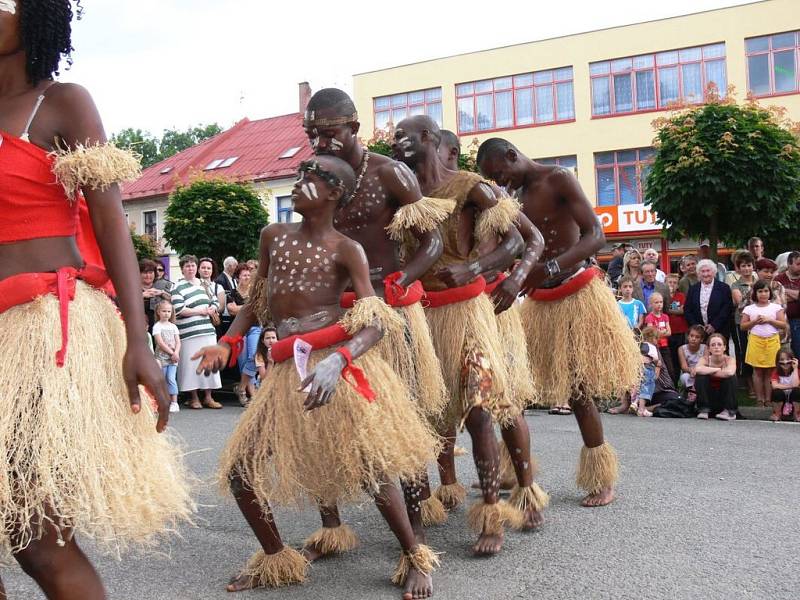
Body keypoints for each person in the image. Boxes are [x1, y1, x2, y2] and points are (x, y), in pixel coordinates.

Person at [0, 3, 193, 596]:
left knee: (36, 535)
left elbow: (111, 222)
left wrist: (138, 338)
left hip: (42, 333)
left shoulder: (61, 103)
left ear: (33, 15)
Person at [194, 155, 441, 598]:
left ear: (333, 193)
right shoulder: (273, 236)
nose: (297, 184)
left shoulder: (348, 249)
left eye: (308, 179)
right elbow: (257, 301)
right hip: (288, 369)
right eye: (298, 176)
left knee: (370, 467)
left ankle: (415, 556)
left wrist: (340, 360)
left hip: (333, 364)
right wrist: (227, 342)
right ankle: (276, 559)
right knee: (240, 471)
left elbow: (375, 322)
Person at [302, 89, 451, 557]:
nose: (318, 143)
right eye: (311, 134)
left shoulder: (390, 172)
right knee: (323, 415)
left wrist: (400, 280)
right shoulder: (312, 174)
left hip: (388, 307)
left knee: (400, 415)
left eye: (327, 133)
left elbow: (432, 241)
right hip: (333, 313)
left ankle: (416, 522)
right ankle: (331, 528)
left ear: (354, 128)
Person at [394, 115, 537, 555]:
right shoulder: (400, 192)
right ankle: (414, 526)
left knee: (480, 413)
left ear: (427, 140)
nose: (397, 144)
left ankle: (493, 514)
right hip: (421, 316)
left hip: (469, 312)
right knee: (418, 418)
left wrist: (476, 268)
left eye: (404, 137)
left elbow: (517, 240)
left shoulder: (470, 185)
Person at [477, 137, 640, 508]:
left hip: (576, 291)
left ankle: (601, 478)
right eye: (493, 179)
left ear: (512, 156)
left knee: (579, 390)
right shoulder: (508, 199)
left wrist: (548, 266)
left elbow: (595, 236)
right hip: (537, 300)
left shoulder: (559, 178)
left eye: (499, 173)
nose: (500, 183)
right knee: (514, 387)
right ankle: (512, 470)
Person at [433, 126, 550, 522]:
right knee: (441, 403)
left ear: (449, 152)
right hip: (445, 315)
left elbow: (530, 241)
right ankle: (447, 485)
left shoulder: (480, 192)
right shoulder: (418, 195)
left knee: (500, 403)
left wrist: (514, 279)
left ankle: (525, 487)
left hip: (492, 313)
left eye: (443, 153)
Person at [171, 254, 223, 409]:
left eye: (193, 265)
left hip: (207, 330)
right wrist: (200, 311)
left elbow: (215, 301)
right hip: (188, 332)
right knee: (190, 365)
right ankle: (194, 398)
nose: (190, 268)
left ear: (196, 268)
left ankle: (208, 397)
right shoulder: (177, 287)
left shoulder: (204, 284)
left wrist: (212, 308)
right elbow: (179, 309)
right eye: (187, 266)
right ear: (182, 270)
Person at [741, 280, 787, 407]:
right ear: (755, 293)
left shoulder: (776, 308)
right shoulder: (749, 308)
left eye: (766, 291)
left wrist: (769, 320)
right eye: (760, 291)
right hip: (756, 340)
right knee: (757, 371)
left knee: (770, 371)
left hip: (772, 340)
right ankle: (759, 399)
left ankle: (769, 399)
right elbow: (743, 326)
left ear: (770, 292)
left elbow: (783, 325)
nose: (763, 294)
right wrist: (754, 322)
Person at [227, 263, 261, 406]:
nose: (247, 277)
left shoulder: (255, 293)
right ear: (238, 277)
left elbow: (258, 308)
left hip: (254, 328)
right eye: (244, 275)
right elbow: (231, 310)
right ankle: (248, 393)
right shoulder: (232, 293)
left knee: (253, 357)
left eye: (249, 275)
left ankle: (241, 388)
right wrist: (249, 307)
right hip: (239, 331)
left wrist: (240, 308)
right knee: (243, 362)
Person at [684, 259, 734, 340]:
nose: (705, 274)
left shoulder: (724, 288)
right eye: (702, 271)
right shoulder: (693, 289)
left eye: (708, 271)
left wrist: (714, 325)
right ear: (699, 274)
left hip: (720, 330)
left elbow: (727, 309)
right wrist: (697, 326)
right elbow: (687, 310)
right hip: (698, 333)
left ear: (714, 272)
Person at [694, 333, 738, 420]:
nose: (716, 347)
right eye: (713, 345)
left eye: (719, 344)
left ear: (724, 347)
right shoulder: (705, 359)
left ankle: (729, 411)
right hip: (709, 396)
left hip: (724, 396)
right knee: (701, 376)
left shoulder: (729, 359)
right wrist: (718, 370)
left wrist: (708, 370)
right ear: (709, 349)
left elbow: (730, 372)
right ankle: (704, 409)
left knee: (731, 378)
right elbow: (697, 369)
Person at [730, 251, 757, 394]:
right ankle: (749, 385)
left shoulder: (759, 282)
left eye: (749, 265)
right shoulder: (735, 284)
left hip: (759, 323)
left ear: (753, 266)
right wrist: (755, 294)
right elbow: (740, 303)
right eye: (743, 266)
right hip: (742, 322)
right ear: (739, 268)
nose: (747, 268)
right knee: (745, 352)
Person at [152, 299, 181, 413]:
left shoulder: (173, 326)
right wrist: (171, 352)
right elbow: (160, 343)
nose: (166, 314)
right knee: (162, 379)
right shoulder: (157, 326)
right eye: (164, 311)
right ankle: (162, 401)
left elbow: (178, 342)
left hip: (173, 357)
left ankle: (174, 402)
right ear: (158, 312)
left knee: (171, 378)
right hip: (162, 357)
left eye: (169, 311)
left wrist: (176, 353)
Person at [644, 292, 675, 381]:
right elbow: (651, 334)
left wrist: (659, 332)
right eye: (656, 302)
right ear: (651, 304)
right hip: (655, 347)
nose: (659, 304)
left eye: (661, 302)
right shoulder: (649, 317)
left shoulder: (665, 317)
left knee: (669, 369)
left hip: (665, 347)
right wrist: (663, 331)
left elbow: (669, 332)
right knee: (656, 368)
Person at [775, 251, 800, 358]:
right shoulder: (778, 279)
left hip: (798, 319)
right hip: (783, 322)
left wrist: (784, 290)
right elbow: (777, 299)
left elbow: (782, 295)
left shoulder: (779, 283)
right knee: (789, 353)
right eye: (798, 264)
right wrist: (797, 294)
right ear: (789, 264)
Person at [665, 273, 688, 384]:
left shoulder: (681, 296)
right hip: (666, 331)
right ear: (665, 284)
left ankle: (676, 381)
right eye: (670, 282)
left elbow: (682, 311)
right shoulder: (664, 296)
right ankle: (669, 382)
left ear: (678, 285)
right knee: (668, 357)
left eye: (674, 283)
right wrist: (675, 311)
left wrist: (668, 310)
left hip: (679, 331)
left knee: (678, 357)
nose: (672, 285)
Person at [678, 325, 708, 399]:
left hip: (701, 372)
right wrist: (691, 370)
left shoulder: (705, 348)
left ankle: (700, 397)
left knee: (704, 378)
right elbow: (684, 367)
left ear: (701, 339)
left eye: (697, 337)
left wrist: (697, 371)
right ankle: (692, 394)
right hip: (688, 373)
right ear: (688, 336)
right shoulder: (681, 349)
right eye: (691, 336)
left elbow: (706, 363)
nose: (693, 339)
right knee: (684, 377)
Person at [141, 258, 171, 330]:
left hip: (161, 328)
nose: (148, 276)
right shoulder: (133, 288)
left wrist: (162, 293)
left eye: (151, 272)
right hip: (142, 328)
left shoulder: (163, 285)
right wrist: (142, 295)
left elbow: (174, 301)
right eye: (145, 273)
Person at [770, 350, 800, 422]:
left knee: (797, 391)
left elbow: (796, 384)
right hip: (782, 399)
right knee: (776, 392)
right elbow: (774, 386)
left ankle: (797, 414)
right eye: (782, 360)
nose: (785, 362)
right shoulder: (775, 371)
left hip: (794, 399)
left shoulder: (797, 371)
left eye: (787, 359)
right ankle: (777, 414)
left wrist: (795, 368)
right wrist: (790, 385)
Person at [215, 256, 238, 335]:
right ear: (229, 266)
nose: (236, 268)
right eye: (235, 266)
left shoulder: (233, 279)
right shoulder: (220, 280)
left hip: (232, 316)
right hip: (225, 316)